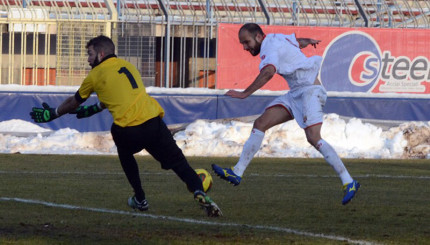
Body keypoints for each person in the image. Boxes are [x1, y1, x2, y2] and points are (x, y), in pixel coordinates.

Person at [30, 35, 222, 217]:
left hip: (130, 129)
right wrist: (93, 110)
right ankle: (198, 190)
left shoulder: (96, 74)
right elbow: (117, 95)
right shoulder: (128, 66)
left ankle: (140, 197)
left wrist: (53, 113)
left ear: (101, 54)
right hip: (154, 122)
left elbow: (74, 101)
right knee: (179, 163)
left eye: (90, 54)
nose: (88, 60)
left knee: (123, 150)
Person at [212, 23, 360, 205]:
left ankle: (348, 181)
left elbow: (268, 72)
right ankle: (237, 172)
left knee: (314, 138)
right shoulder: (276, 38)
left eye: (246, 42)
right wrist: (308, 41)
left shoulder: (269, 46)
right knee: (260, 124)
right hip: (296, 93)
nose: (244, 47)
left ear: (258, 36)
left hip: (310, 92)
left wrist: (245, 93)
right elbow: (297, 42)